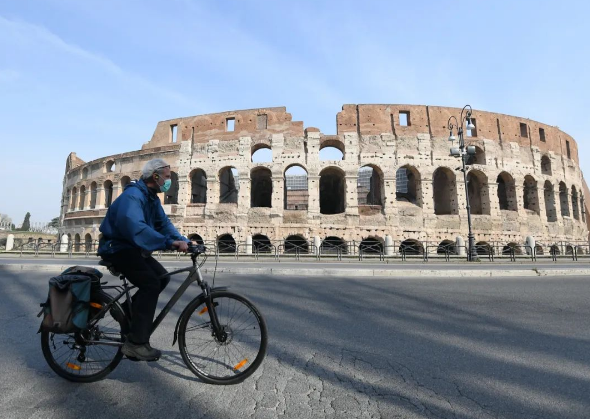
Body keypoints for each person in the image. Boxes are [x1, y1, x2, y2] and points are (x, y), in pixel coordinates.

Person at [98, 158, 190, 361]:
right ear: (155, 176)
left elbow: (163, 224)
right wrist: (169, 243)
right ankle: (136, 343)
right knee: (150, 283)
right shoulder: (133, 196)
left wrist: (184, 241)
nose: (169, 181)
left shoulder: (151, 198)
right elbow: (136, 228)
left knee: (162, 277)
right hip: (118, 248)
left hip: (132, 248)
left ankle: (125, 312)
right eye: (167, 177)